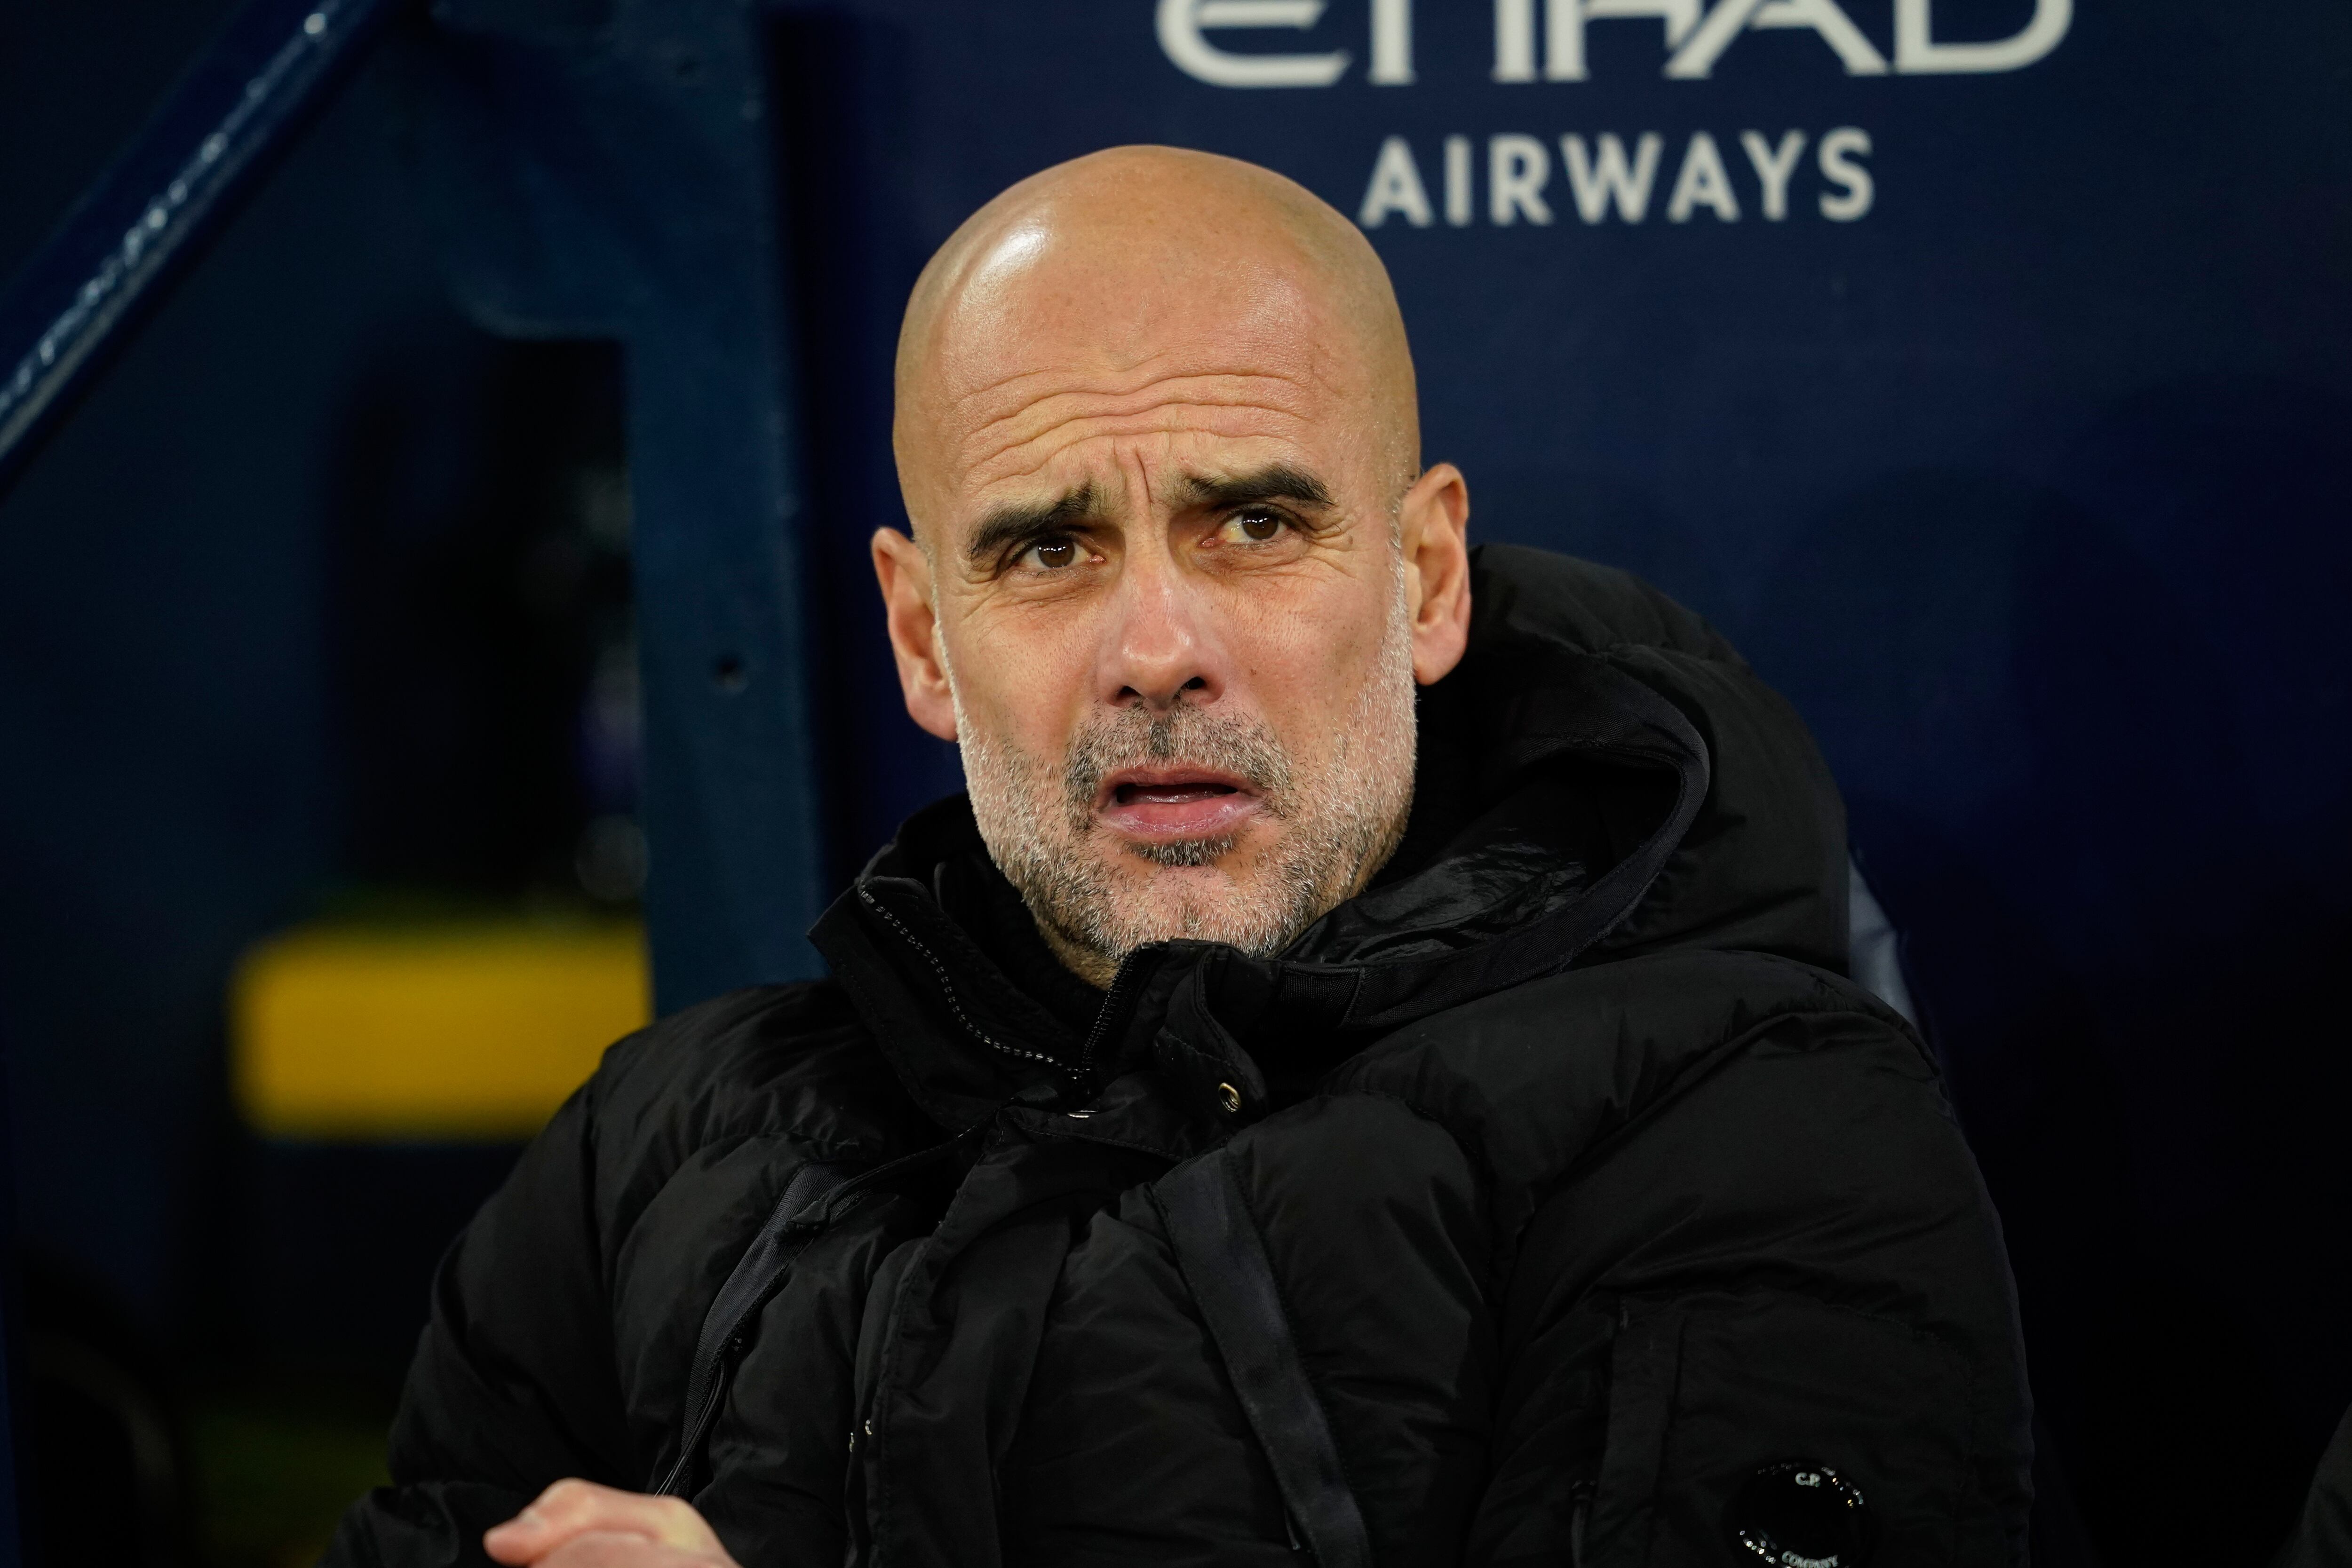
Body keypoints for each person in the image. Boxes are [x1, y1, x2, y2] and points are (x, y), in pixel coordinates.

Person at [329, 146, 2033, 1568]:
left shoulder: (1745, 1128)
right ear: (923, 639)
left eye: (1256, 524)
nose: (1158, 650)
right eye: (1048, 548)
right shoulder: (654, 1144)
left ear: (1428, 580)